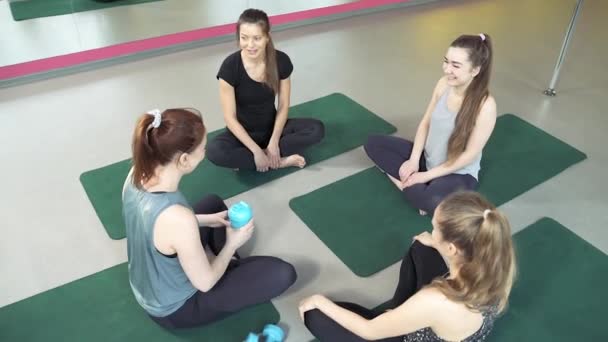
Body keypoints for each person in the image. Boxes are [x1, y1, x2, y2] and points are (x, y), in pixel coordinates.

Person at [123, 108, 296, 329]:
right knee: (282, 274)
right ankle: (225, 266)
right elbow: (205, 284)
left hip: (151, 284)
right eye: (203, 149)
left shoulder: (137, 174)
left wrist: (206, 220)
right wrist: (232, 244)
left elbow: (157, 228)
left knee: (213, 204)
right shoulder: (178, 218)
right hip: (177, 308)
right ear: (184, 159)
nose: (205, 152)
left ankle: (221, 264)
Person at [299, 191, 516, 341]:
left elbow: (369, 331)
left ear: (452, 248)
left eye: (435, 229)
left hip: (418, 331)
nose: (431, 232)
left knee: (316, 314)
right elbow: (447, 257)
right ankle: (398, 310)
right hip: (447, 323)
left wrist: (319, 301)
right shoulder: (495, 261)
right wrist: (436, 245)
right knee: (422, 248)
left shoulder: (435, 299)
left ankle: (396, 314)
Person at [364, 34, 496, 216]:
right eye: (446, 61)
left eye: (456, 66)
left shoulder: (486, 106)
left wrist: (425, 176)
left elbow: (468, 156)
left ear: (475, 70)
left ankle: (408, 185)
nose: (447, 69)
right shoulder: (443, 85)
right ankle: (413, 187)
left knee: (432, 202)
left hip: (457, 172)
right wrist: (413, 160)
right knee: (372, 143)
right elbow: (425, 123)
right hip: (427, 159)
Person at [206, 8, 325, 172]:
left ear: (267, 37)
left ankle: (256, 159)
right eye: (244, 38)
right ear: (238, 38)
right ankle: (279, 161)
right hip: (242, 135)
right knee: (214, 151)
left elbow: (283, 105)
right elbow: (230, 118)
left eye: (257, 38)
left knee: (316, 129)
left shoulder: (281, 61)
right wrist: (255, 150)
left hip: (271, 128)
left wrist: (274, 141)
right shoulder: (229, 67)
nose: (250, 45)